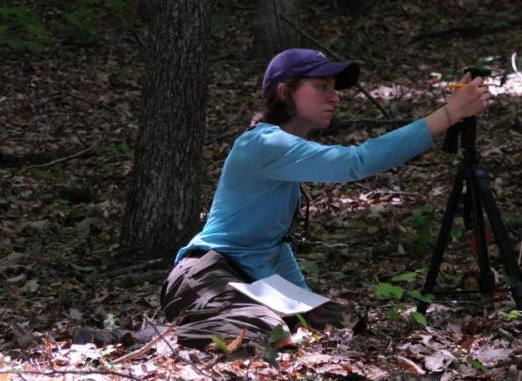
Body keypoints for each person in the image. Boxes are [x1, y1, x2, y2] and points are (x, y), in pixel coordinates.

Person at [159, 48, 491, 349]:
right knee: (264, 329)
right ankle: (165, 342)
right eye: (322, 87)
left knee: (341, 320)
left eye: (334, 88)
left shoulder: (281, 149)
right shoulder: (262, 144)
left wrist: (307, 303)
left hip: (251, 281)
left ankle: (245, 320)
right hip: (205, 275)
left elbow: (275, 242)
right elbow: (355, 163)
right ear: (284, 91)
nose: (335, 97)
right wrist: (446, 115)